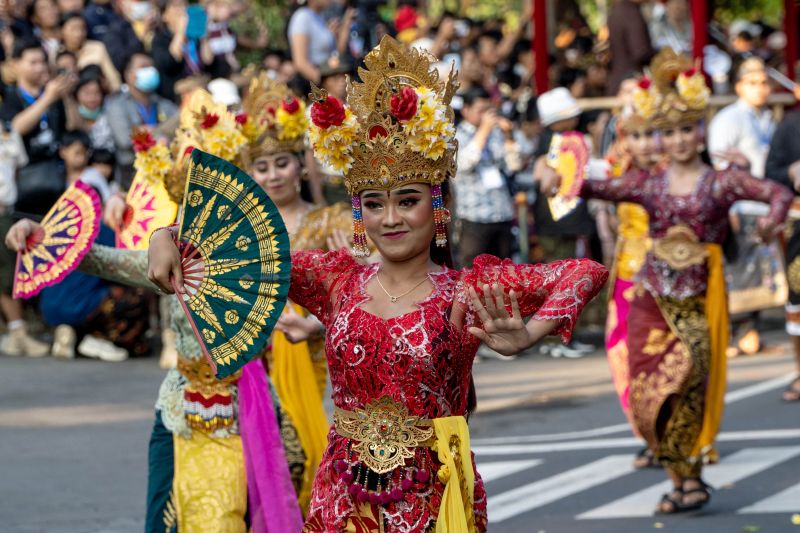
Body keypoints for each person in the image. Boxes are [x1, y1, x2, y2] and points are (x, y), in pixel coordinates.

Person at [148, 35, 608, 531]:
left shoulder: (465, 289)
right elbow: (234, 250)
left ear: (436, 207)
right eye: (373, 203)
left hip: (431, 498)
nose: (390, 219)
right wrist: (164, 234)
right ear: (357, 211)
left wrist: (530, 335)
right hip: (342, 497)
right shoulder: (336, 280)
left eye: (406, 201)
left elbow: (585, 271)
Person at [545, 47, 793, 513]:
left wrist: (772, 221)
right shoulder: (649, 185)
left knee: (689, 383)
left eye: (688, 129)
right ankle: (678, 476)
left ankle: (692, 476)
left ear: (700, 130)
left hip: (700, 302)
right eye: (672, 131)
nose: (680, 139)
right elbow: (592, 185)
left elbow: (776, 192)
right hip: (652, 301)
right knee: (650, 390)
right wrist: (557, 169)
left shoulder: (723, 182)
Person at [602, 103, 661, 468]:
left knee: (656, 358)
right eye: (634, 135)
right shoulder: (618, 172)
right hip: (626, 276)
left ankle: (666, 434)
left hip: (662, 278)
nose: (644, 144)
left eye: (649, 134)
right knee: (621, 354)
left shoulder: (673, 176)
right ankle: (646, 430)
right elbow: (578, 181)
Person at [709, 57, 779, 357]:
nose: (760, 88)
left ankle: (750, 332)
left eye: (764, 82)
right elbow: (721, 165)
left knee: (761, 269)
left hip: (764, 204)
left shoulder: (768, 118)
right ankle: (735, 333)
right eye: (753, 82)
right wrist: (730, 206)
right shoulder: (728, 119)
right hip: (740, 204)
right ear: (739, 86)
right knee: (739, 269)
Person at [1, 38, 71, 216]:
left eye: (42, 62)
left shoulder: (54, 93)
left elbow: (71, 125)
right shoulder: (10, 97)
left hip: (56, 174)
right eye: (33, 62)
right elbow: (16, 127)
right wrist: (47, 98)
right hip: (26, 179)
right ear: (16, 64)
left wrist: (66, 96)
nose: (40, 67)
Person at [453, 86, 521, 267]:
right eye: (480, 111)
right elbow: (464, 164)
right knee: (473, 273)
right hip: (474, 217)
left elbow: (514, 166)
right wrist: (483, 131)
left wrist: (509, 136)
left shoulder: (496, 133)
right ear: (465, 110)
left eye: (488, 110)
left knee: (504, 273)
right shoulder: (455, 136)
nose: (486, 116)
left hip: (502, 213)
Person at [0, 122, 50, 357]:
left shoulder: (9, 133)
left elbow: (16, 169)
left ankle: (16, 332)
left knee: (9, 273)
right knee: (6, 274)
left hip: (5, 211)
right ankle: (16, 331)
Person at [764, 97, 800, 402]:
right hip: (798, 222)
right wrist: (791, 171)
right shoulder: (789, 126)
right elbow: (770, 173)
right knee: (798, 295)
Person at [105, 52, 178, 187]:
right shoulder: (116, 105)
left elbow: (181, 127)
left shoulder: (164, 103)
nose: (151, 71)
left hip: (168, 171)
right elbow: (125, 140)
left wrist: (144, 131)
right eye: (144, 67)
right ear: (128, 75)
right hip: (132, 176)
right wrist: (165, 130)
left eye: (152, 66)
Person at [287, 0, 354, 84]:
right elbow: (300, 62)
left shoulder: (320, 17)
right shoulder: (302, 17)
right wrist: (322, 83)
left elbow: (338, 52)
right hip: (312, 83)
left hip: (328, 78)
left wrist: (346, 24)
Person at [60, 10, 121, 91]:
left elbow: (113, 77)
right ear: (61, 31)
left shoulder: (97, 47)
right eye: (73, 29)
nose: (79, 33)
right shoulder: (57, 52)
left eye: (82, 28)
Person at [606, 0, 654, 95]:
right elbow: (640, 52)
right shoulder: (631, 13)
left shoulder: (617, 10)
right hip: (630, 84)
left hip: (617, 80)